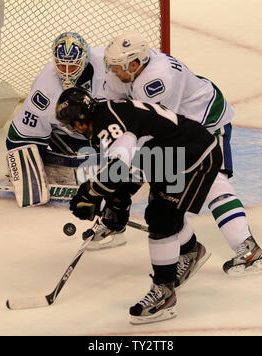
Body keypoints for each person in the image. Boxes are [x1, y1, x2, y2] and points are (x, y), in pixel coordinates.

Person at [84, 30, 262, 277]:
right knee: (162, 190)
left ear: (136, 63)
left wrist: (120, 181)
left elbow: (153, 133)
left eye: (119, 66)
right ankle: (187, 250)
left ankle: (248, 251)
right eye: (112, 65)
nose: (114, 72)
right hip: (180, 127)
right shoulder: (125, 71)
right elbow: (112, 113)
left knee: (211, 182)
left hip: (206, 122)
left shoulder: (156, 81)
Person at [55, 87, 223, 324]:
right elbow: (130, 163)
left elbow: (119, 168)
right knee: (160, 210)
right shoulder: (105, 115)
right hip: (169, 157)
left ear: (83, 116)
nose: (74, 129)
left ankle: (164, 294)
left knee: (161, 218)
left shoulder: (107, 127)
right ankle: (191, 251)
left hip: (193, 159)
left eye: (74, 123)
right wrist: (117, 203)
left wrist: (91, 194)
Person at [5, 32, 105, 192]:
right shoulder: (45, 89)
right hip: (70, 137)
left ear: (85, 60)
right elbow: (20, 136)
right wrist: (28, 173)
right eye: (60, 65)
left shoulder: (108, 65)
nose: (66, 72)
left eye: (72, 66)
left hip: (108, 130)